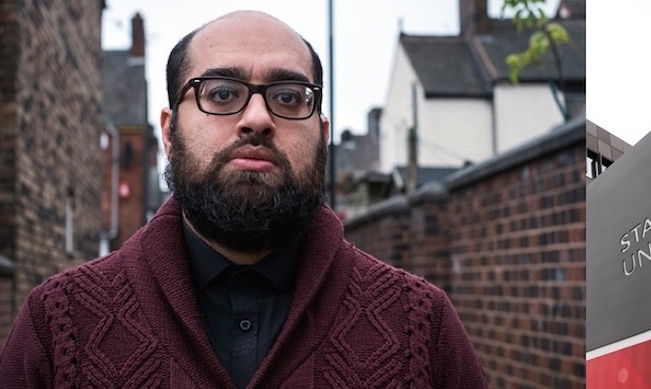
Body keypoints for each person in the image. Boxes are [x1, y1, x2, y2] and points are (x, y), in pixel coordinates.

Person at [0, 10, 487, 388]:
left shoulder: (419, 328)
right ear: (169, 133)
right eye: (221, 91)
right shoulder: (59, 325)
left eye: (289, 95)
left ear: (321, 134)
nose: (257, 117)